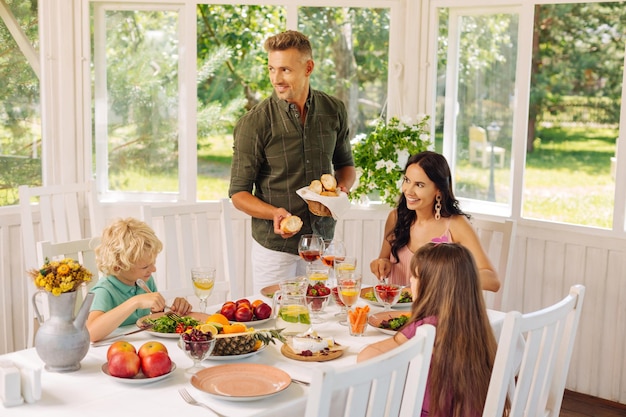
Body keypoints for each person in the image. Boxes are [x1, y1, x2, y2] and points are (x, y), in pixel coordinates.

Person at [228, 30, 356, 293]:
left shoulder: (334, 110)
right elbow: (238, 194)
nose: (276, 79)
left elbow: (345, 165)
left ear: (308, 67)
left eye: (285, 69)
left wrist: (341, 190)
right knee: (276, 323)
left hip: (324, 243)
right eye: (271, 69)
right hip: (276, 250)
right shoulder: (255, 123)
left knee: (324, 318)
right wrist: (274, 213)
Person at [358, 242, 501, 417]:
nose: (410, 281)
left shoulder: (426, 327)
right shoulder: (476, 323)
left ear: (432, 286)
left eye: (415, 277)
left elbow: (366, 357)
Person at [370, 151, 500, 291]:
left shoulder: (455, 224)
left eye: (419, 185)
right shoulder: (396, 218)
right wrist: (381, 264)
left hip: (438, 311)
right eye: (407, 180)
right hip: (394, 311)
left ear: (438, 190)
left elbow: (492, 281)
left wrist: (446, 276)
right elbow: (384, 261)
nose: (409, 191)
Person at [86, 217, 192, 342]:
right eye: (145, 266)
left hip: (144, 345)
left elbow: (153, 317)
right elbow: (91, 333)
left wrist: (170, 310)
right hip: (114, 350)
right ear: (118, 266)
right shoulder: (104, 290)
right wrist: (135, 302)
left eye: (153, 262)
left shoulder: (144, 280)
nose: (153, 269)